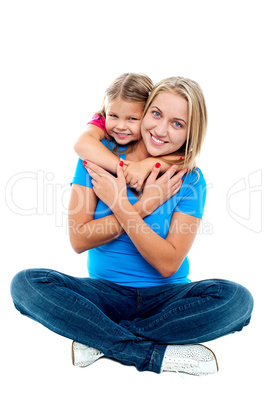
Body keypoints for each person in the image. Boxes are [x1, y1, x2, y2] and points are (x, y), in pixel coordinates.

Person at [10, 76, 253, 376]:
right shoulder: (98, 160)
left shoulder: (189, 179)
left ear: (192, 131)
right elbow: (78, 239)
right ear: (145, 109)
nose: (161, 130)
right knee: (26, 285)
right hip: (104, 295)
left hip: (167, 300)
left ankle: (101, 337)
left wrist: (122, 207)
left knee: (237, 301)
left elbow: (168, 263)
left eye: (178, 124)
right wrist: (142, 206)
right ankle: (148, 353)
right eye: (156, 114)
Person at [75, 72, 185, 192]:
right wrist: (125, 171)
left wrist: (149, 164)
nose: (121, 126)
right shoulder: (100, 128)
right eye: (113, 116)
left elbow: (187, 159)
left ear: (146, 114)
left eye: (132, 119)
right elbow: (81, 144)